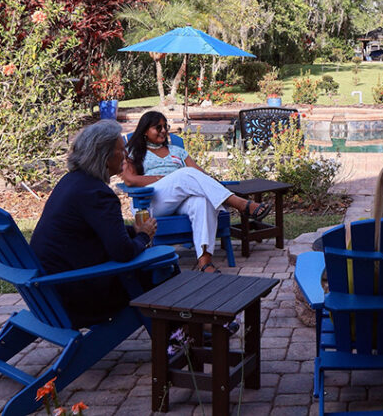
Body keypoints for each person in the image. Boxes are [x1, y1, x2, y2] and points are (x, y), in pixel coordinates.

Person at [31, 119, 162, 328]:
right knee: (162, 268)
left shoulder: (71, 182)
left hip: (51, 293)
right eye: (121, 150)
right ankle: (182, 335)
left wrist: (132, 231)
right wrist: (144, 236)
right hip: (80, 299)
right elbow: (123, 253)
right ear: (104, 156)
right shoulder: (98, 194)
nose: (126, 156)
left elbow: (90, 231)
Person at [120, 111, 269, 273]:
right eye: (158, 127)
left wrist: (211, 185)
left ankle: (205, 262)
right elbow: (129, 179)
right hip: (151, 201)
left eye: (165, 127)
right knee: (184, 174)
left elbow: (200, 174)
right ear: (145, 131)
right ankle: (239, 203)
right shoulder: (134, 150)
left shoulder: (177, 151)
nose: (163, 130)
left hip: (179, 198)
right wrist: (162, 178)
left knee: (202, 201)